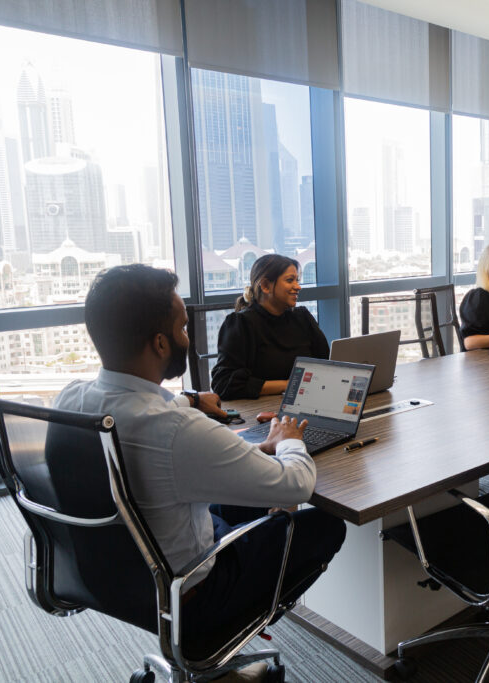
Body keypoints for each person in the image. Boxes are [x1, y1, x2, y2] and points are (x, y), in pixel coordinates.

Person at [55, 264, 346, 668]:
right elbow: (296, 484)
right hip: (190, 595)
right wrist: (289, 441)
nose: (187, 339)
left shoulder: (70, 402)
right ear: (160, 343)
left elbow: (141, 407)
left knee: (239, 501)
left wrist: (188, 399)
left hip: (111, 577)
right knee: (325, 523)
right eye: (183, 329)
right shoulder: (177, 432)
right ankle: (230, 626)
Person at [212, 254, 328, 400]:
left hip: (306, 401)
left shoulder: (302, 318)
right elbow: (223, 383)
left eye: (297, 280)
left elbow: (326, 364)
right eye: (290, 280)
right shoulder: (241, 324)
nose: (298, 287)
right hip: (258, 409)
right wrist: (288, 385)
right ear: (266, 286)